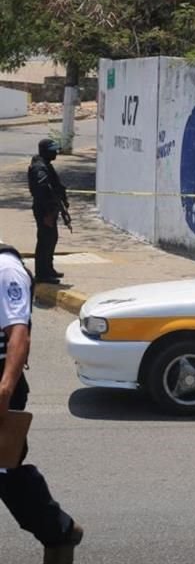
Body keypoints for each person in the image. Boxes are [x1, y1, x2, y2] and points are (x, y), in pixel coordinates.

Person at [0, 243, 83, 563]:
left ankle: (58, 531)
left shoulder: (6, 270)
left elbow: (19, 334)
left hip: (3, 384)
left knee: (7, 472)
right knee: (7, 474)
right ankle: (58, 529)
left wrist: (5, 392)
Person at [27, 139, 68, 284]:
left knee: (51, 238)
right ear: (44, 151)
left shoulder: (46, 165)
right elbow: (42, 191)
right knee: (45, 240)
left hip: (50, 208)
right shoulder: (40, 168)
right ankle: (42, 273)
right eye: (53, 150)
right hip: (44, 209)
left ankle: (48, 269)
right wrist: (48, 214)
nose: (55, 153)